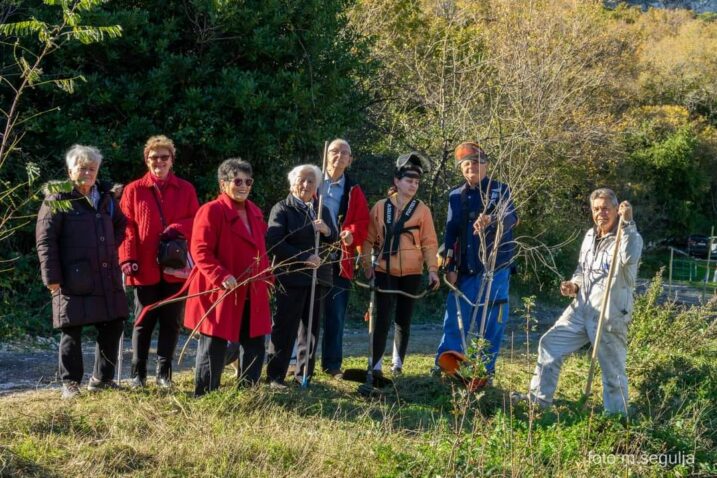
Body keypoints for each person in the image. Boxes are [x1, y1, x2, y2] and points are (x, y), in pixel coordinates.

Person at [515, 189, 642, 415]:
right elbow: (583, 270)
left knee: (612, 371)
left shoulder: (628, 237)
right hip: (582, 308)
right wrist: (574, 285)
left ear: (616, 210)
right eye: (596, 209)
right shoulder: (590, 236)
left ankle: (616, 420)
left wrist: (628, 223)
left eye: (605, 208)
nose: (600, 213)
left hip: (610, 313)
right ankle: (537, 403)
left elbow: (630, 257)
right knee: (549, 343)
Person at [36, 145, 129, 399]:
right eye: (82, 167)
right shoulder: (57, 197)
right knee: (71, 329)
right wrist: (52, 277)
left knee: (114, 322)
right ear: (70, 170)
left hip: (105, 273)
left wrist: (109, 246)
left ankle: (102, 379)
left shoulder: (106, 197)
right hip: (72, 275)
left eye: (92, 168)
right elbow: (46, 240)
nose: (88, 173)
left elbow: (121, 224)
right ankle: (70, 384)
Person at [182, 159, 272, 396]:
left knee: (254, 342)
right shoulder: (211, 211)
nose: (244, 186)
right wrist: (220, 275)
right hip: (221, 290)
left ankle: (247, 392)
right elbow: (199, 250)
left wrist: (268, 278)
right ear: (223, 185)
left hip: (252, 289)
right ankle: (205, 394)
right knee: (215, 344)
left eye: (248, 181)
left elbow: (260, 250)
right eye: (237, 181)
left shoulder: (255, 212)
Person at [433, 142, 518, 384]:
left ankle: (483, 372)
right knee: (455, 320)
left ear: (487, 165)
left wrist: (492, 218)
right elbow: (450, 233)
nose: (473, 167)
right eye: (467, 163)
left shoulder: (501, 190)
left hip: (496, 268)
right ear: (461, 168)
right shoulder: (455, 196)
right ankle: (448, 368)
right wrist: (449, 266)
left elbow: (512, 218)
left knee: (490, 323)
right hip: (464, 269)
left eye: (478, 162)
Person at [119, 135, 199, 388]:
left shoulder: (185, 189)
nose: (159, 162)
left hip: (175, 267)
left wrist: (176, 227)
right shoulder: (134, 190)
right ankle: (137, 374)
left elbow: (197, 220)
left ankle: (164, 375)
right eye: (154, 157)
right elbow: (126, 226)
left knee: (171, 322)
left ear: (172, 160)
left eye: (164, 157)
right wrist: (128, 258)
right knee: (143, 321)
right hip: (144, 265)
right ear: (147, 160)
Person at [362, 152, 440, 376]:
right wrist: (367, 265)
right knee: (382, 318)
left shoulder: (422, 210)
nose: (413, 185)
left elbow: (429, 243)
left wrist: (432, 270)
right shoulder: (380, 207)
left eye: (416, 182)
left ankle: (397, 365)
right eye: (409, 181)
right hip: (384, 270)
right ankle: (375, 365)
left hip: (412, 272)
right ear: (397, 181)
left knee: (403, 320)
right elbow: (368, 239)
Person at [265, 164, 338, 388]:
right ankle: (276, 376)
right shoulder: (282, 209)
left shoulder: (321, 209)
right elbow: (274, 243)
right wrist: (303, 257)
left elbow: (333, 240)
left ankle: (303, 376)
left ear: (317, 186)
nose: (306, 185)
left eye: (311, 181)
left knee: (311, 330)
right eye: (302, 180)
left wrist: (327, 231)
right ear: (292, 183)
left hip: (318, 278)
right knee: (285, 327)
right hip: (291, 278)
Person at [319, 139, 370, 378]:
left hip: (339, 258)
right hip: (310, 255)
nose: (339, 156)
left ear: (350, 160)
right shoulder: (313, 180)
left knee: (336, 313)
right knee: (303, 312)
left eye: (345, 153)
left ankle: (331, 365)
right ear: (326, 155)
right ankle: (300, 362)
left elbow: (362, 222)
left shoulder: (354, 190)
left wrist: (351, 233)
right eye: (335, 151)